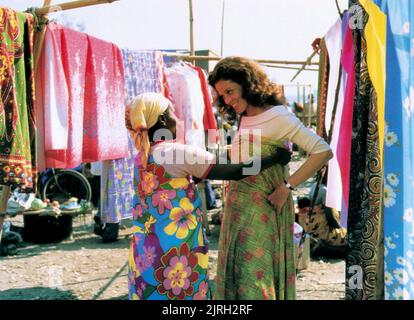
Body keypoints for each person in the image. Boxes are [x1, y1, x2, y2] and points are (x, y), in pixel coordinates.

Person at [125, 92, 291, 300]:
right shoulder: (176, 152)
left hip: (146, 251)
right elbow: (234, 171)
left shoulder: (139, 157)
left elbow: (164, 190)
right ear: (162, 119)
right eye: (173, 112)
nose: (178, 118)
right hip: (176, 249)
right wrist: (273, 158)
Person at [208, 56, 333, 300]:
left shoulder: (278, 116)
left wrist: (287, 187)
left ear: (247, 84)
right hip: (238, 211)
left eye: (230, 91)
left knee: (256, 279)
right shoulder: (243, 116)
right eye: (222, 95)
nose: (228, 99)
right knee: (240, 277)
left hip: (264, 211)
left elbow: (322, 151)